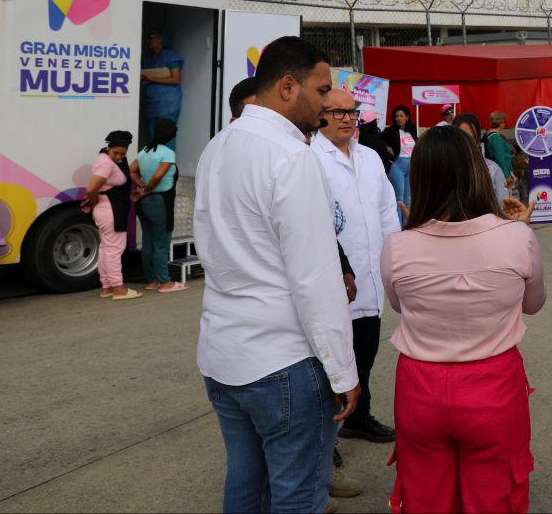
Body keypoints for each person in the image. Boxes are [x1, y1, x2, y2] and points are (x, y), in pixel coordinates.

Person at [195, 36, 360, 513]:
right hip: (282, 361)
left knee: (245, 489)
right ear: (288, 86)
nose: (329, 102)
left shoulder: (219, 147)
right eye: (322, 88)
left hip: (223, 354)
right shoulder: (292, 158)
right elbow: (316, 278)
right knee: (298, 498)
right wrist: (342, 370)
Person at [382, 126, 543, 513]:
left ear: (419, 177)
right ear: (476, 171)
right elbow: (533, 304)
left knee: (425, 497)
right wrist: (517, 234)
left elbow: (400, 306)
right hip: (494, 387)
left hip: (420, 388)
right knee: (496, 496)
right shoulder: (516, 238)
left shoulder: (397, 245)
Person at [313, 88, 403, 446]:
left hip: (370, 274)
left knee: (364, 354)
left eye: (351, 111)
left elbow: (386, 212)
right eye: (337, 113)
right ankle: (325, 439)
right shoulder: (309, 157)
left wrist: (392, 256)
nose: (347, 118)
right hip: (333, 276)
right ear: (320, 116)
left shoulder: (369, 157)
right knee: (330, 362)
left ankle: (359, 416)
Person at [82, 130, 141, 300]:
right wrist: (91, 202)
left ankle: (107, 287)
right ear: (109, 147)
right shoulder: (106, 164)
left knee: (106, 248)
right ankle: (118, 288)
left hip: (106, 209)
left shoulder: (104, 158)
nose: (118, 157)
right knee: (115, 249)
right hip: (111, 210)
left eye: (122, 154)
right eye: (116, 152)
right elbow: (92, 188)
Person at [131, 119, 186, 293]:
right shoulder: (168, 153)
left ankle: (152, 280)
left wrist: (140, 186)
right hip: (160, 202)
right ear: (170, 136)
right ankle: (165, 282)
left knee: (148, 242)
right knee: (162, 243)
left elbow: (131, 170)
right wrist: (147, 187)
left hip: (144, 203)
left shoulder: (144, 152)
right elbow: (157, 176)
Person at [455, 112, 510, 201]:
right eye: (460, 137)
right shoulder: (444, 169)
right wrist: (507, 175)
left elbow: (503, 207)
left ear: (477, 140)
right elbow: (500, 157)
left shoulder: (493, 170)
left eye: (470, 138)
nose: (465, 142)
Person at [141, 29, 183, 144]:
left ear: (160, 40)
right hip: (152, 103)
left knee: (166, 135)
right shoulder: (148, 58)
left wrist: (152, 79)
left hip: (168, 103)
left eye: (151, 37)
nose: (148, 40)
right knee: (153, 135)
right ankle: (155, 161)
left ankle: (168, 161)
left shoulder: (170, 55)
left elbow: (175, 79)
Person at [383, 105, 419, 220]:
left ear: (407, 117)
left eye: (401, 116)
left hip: (411, 166)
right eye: (396, 116)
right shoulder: (390, 131)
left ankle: (406, 226)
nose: (398, 118)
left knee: (408, 199)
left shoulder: (412, 129)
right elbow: (378, 140)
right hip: (397, 166)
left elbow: (417, 143)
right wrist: (387, 146)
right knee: (399, 199)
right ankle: (398, 227)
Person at [485, 110, 515, 181]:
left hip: (493, 171)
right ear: (501, 124)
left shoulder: (487, 135)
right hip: (500, 174)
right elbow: (500, 158)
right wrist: (507, 176)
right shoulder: (496, 137)